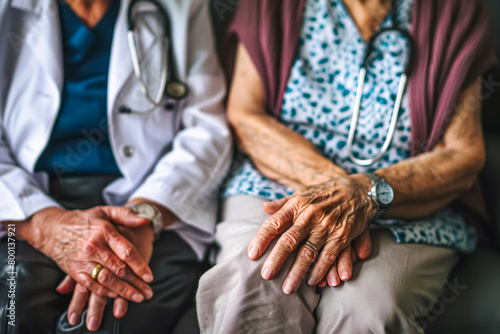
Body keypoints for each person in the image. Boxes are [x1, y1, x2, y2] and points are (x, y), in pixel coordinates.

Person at [196, 0, 497, 333]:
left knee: (368, 309)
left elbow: (463, 152)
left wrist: (368, 193)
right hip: (277, 183)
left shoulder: (455, 10)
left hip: (405, 200)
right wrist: (345, 194)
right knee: (256, 280)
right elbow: (246, 116)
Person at [0, 0, 230, 333]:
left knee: (127, 311)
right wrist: (44, 224)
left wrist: (146, 216)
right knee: (16, 303)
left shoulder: (181, 6)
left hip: (150, 199)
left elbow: (207, 129)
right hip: (21, 202)